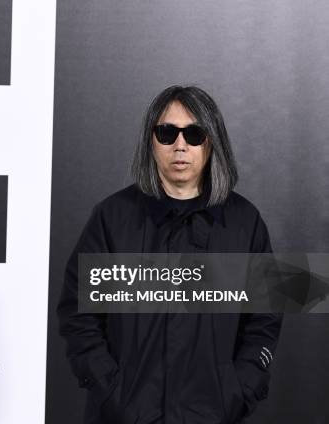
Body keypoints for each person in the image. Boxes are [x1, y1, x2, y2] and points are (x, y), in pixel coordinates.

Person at [57, 85, 283, 424]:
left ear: (212, 142)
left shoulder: (244, 223)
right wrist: (113, 393)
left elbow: (263, 322)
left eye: (194, 134)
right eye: (167, 133)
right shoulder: (112, 218)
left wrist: (236, 393)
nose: (180, 145)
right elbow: (78, 316)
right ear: (151, 141)